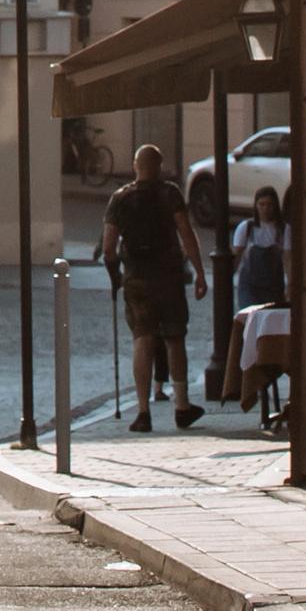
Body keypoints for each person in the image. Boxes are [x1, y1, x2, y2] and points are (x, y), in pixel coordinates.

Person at [102, 143, 207, 432]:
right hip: (169, 278)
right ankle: (182, 406)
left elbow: (109, 247)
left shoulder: (120, 198)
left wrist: (115, 275)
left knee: (142, 340)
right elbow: (187, 234)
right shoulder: (170, 194)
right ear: (159, 167)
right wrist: (199, 272)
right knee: (174, 340)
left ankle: (143, 411)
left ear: (136, 166)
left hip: (136, 279)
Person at [228, 184, 292, 430]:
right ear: (256, 206)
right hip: (250, 288)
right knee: (250, 331)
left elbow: (287, 260)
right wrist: (227, 279)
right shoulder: (246, 229)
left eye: (269, 205)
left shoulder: (282, 231)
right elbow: (237, 256)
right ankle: (252, 377)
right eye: (261, 205)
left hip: (272, 288)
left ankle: (267, 377)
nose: (265, 209)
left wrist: (290, 285)